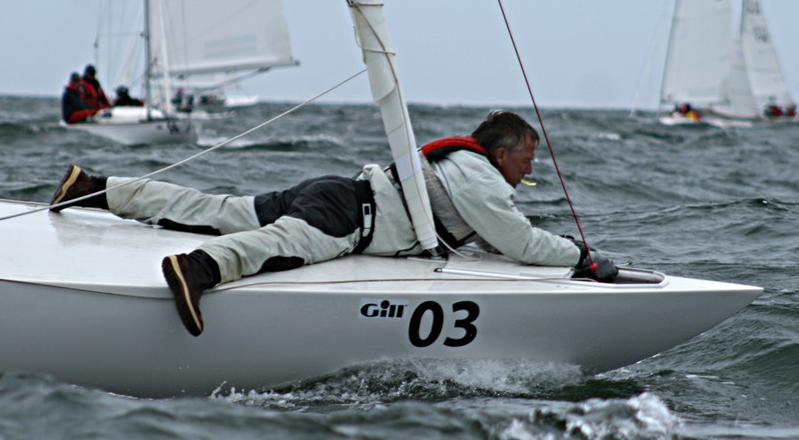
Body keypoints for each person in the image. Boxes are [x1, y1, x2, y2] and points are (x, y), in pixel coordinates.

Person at [49, 110, 618, 336]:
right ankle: (196, 271)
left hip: (335, 191)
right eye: (528, 157)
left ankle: (97, 188)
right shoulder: (481, 178)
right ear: (501, 155)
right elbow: (517, 240)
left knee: (214, 209)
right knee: (269, 245)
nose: (532, 167)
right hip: (345, 216)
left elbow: (494, 235)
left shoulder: (461, 165)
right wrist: (581, 259)